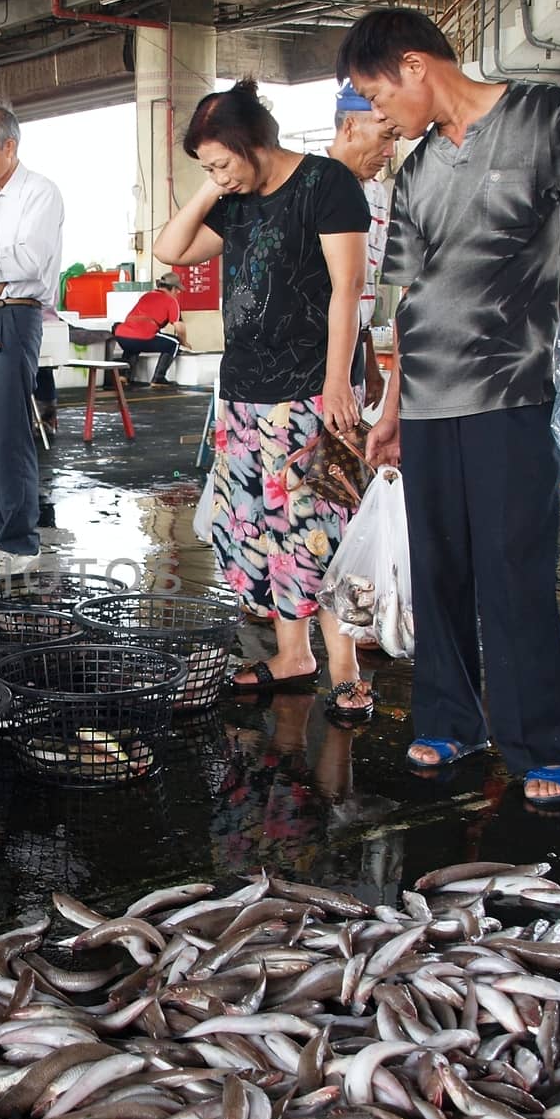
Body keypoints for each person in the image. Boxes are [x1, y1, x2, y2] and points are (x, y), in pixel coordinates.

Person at [338, 7, 560, 806]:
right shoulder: (416, 171)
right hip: (427, 399)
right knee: (439, 565)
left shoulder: (547, 117)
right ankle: (452, 717)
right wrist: (390, 405)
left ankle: (546, 741)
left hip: (513, 387)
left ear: (416, 66)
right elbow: (407, 295)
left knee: (513, 568)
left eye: (377, 94)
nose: (378, 115)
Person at [154, 76, 373, 727]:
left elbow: (347, 288)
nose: (219, 174)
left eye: (222, 160)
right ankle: (290, 656)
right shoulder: (236, 197)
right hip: (247, 391)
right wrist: (211, 183)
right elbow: (170, 249)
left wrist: (338, 380)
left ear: (253, 142)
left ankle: (345, 671)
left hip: (313, 390)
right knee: (261, 529)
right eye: (210, 166)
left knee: (323, 529)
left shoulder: (325, 185)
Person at [0, 102, 63, 576]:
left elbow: (27, 260)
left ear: (9, 145)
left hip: (13, 316)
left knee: (5, 433)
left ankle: (20, 542)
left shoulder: (39, 193)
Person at [326, 81, 398, 409]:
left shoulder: (377, 194)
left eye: (395, 139)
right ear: (351, 126)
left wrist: (367, 361)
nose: (390, 152)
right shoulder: (306, 182)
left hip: (353, 356)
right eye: (386, 137)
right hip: (308, 356)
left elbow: (363, 286)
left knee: (341, 457)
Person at [112, 271, 187, 387]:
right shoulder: (171, 301)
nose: (178, 292)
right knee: (175, 343)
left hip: (122, 335)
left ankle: (123, 375)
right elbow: (179, 326)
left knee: (133, 344)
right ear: (172, 288)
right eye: (177, 289)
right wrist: (184, 341)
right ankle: (158, 378)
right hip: (143, 334)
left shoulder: (147, 295)